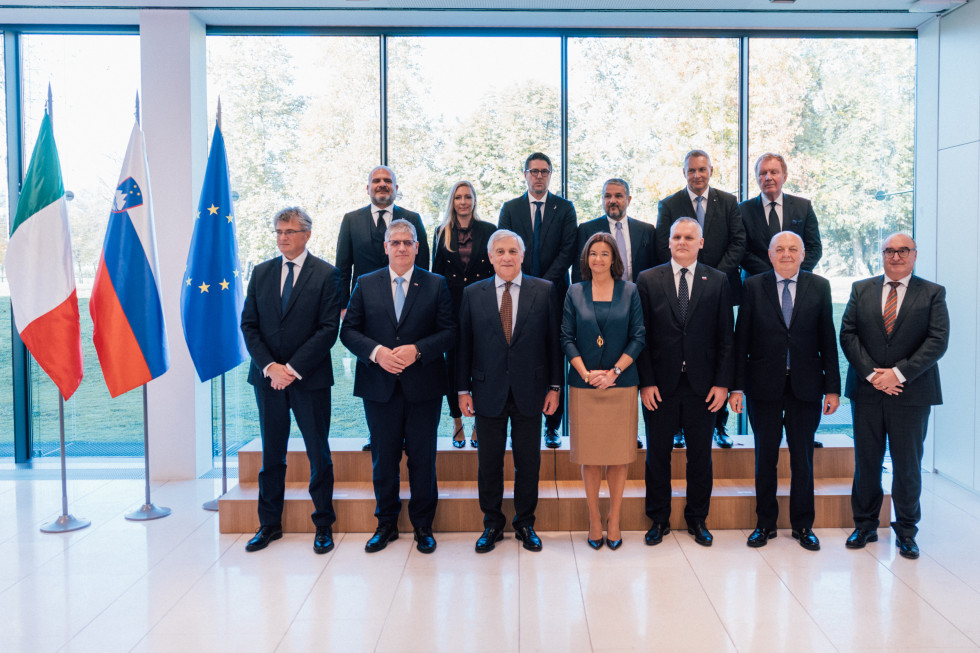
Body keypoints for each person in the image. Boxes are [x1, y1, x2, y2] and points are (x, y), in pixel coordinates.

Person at [339, 219, 456, 554]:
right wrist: (376, 353)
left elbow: (449, 332)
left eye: (408, 242)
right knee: (384, 459)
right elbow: (349, 331)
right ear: (385, 247)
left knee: (423, 459)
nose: (402, 248)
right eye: (396, 242)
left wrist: (417, 350)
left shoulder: (435, 284)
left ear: (418, 247)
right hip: (380, 387)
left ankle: (423, 526)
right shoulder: (365, 282)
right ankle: (386, 524)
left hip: (424, 387)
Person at [728, 231, 840, 551]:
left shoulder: (819, 286)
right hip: (763, 386)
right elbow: (741, 342)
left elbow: (827, 340)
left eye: (793, 249)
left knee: (802, 459)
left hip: (806, 387)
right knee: (765, 458)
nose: (787, 254)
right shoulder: (752, 286)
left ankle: (803, 526)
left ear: (803, 255)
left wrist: (832, 389)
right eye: (780, 249)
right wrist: (737, 387)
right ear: (770, 253)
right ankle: (765, 524)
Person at [840, 233, 949, 560]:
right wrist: (874, 374)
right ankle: (865, 524)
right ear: (882, 255)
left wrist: (897, 373)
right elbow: (848, 334)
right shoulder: (861, 289)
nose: (896, 256)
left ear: (914, 255)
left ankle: (906, 531)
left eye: (903, 251)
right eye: (890, 251)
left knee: (907, 465)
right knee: (867, 463)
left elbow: (937, 341)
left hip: (911, 393)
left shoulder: (932, 293)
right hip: (868, 391)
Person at [240, 207, 341, 554]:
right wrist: (271, 367)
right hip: (268, 380)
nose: (283, 237)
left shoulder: (327, 274)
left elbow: (329, 329)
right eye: (279, 231)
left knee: (319, 454)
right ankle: (269, 524)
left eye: (290, 231)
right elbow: (249, 325)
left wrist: (292, 369)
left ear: (307, 234)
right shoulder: (261, 272)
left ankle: (323, 523)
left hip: (309, 379)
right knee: (272, 454)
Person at [457, 230, 562, 553]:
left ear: (522, 255)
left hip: (531, 391)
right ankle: (492, 524)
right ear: (490, 257)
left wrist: (555, 388)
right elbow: (464, 346)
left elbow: (553, 346)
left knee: (527, 462)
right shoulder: (473, 293)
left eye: (512, 251)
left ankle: (525, 523)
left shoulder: (544, 291)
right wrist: (462, 389)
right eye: (499, 251)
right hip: (487, 390)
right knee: (489, 463)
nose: (506, 257)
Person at [637, 217, 733, 548]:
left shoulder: (718, 280)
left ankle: (697, 518)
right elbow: (642, 337)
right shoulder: (648, 279)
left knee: (700, 457)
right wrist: (645, 382)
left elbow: (725, 338)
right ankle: (658, 519)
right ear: (668, 241)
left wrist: (722, 383)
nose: (682, 242)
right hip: (659, 386)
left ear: (701, 243)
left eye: (689, 237)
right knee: (657, 456)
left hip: (703, 387)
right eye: (676, 236)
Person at [335, 165, 430, 451]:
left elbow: (423, 262)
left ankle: (409, 432)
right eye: (376, 181)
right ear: (367, 188)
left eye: (387, 181)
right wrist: (343, 306)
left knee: (405, 361)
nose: (382, 185)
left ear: (396, 187)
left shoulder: (412, 218)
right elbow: (343, 266)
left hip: (408, 305)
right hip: (369, 308)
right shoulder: (351, 220)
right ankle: (378, 433)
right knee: (376, 365)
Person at [655, 150, 744, 449]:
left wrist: (708, 277)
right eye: (691, 170)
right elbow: (661, 244)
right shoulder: (669, 204)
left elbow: (738, 242)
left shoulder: (728, 202)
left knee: (716, 351)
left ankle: (719, 426)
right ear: (684, 172)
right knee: (680, 350)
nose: (697, 175)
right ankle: (678, 428)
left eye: (702, 169)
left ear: (711, 170)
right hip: (678, 289)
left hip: (717, 291)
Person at [562, 233, 645, 550]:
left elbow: (638, 336)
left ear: (614, 260)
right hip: (584, 384)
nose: (598, 259)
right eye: (593, 254)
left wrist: (613, 373)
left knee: (618, 458)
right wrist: (585, 373)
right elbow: (566, 336)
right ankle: (594, 519)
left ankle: (615, 520)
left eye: (605, 254)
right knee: (591, 457)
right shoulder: (574, 291)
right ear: (586, 259)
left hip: (621, 384)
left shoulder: (630, 291)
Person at [499, 152, 578, 448]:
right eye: (534, 171)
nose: (539, 176)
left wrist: (543, 283)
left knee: (553, 351)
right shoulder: (510, 209)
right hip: (515, 292)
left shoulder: (565, 208)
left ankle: (553, 426)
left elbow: (569, 249)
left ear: (550, 175)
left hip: (555, 293)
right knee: (520, 349)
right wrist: (527, 282)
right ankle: (519, 415)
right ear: (525, 174)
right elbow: (505, 246)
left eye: (544, 172)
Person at [575, 178, 656, 450]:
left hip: (636, 308)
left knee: (635, 369)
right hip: (598, 308)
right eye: (608, 195)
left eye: (619, 196)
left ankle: (628, 431)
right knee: (604, 361)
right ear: (602, 199)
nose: (613, 200)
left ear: (628, 199)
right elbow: (580, 275)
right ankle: (598, 435)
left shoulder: (647, 230)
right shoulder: (587, 230)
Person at [432, 181, 496, 449]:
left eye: (467, 197)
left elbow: (495, 271)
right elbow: (435, 273)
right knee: (453, 366)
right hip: (452, 306)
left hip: (482, 304)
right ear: (452, 201)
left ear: (474, 200)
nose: (463, 202)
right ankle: (457, 422)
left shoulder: (489, 230)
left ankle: (480, 423)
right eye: (458, 197)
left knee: (482, 364)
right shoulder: (441, 231)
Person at [739, 153, 822, 276]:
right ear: (756, 178)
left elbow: (814, 249)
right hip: (756, 283)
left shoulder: (803, 207)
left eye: (774, 172)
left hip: (798, 282)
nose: (768, 177)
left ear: (785, 177)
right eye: (763, 173)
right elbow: (741, 250)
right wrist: (773, 276)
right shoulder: (743, 210)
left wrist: (791, 273)